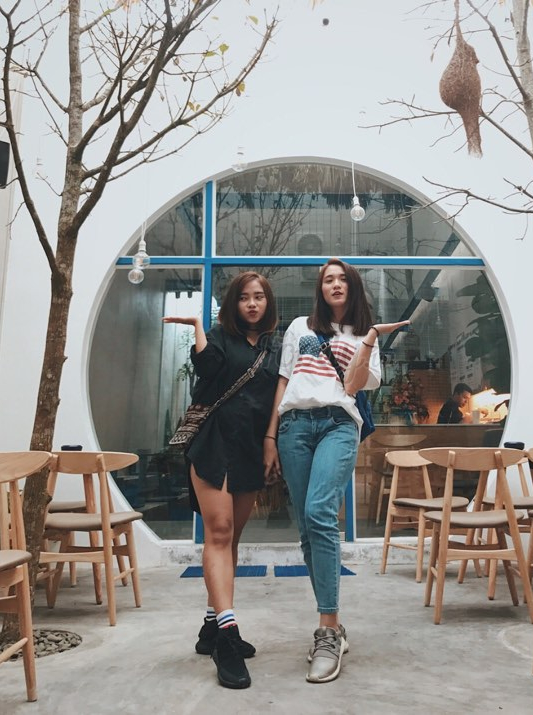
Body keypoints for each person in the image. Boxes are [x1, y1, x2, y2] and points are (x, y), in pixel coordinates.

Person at [263, 258, 408, 684]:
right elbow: (284, 381)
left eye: (343, 278)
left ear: (353, 286)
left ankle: (327, 630)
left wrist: (369, 340)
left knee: (320, 514)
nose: (335, 284)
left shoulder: (365, 335)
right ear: (320, 288)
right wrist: (270, 436)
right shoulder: (299, 327)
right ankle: (334, 628)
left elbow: (353, 386)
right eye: (328, 279)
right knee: (307, 529)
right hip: (293, 427)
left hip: (338, 424)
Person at [163, 271, 281, 690]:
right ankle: (227, 637)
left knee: (232, 539)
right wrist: (198, 327)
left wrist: (271, 443)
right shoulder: (218, 337)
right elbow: (207, 366)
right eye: (245, 297)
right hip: (213, 443)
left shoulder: (274, 348)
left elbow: (277, 401)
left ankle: (211, 626)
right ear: (234, 303)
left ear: (268, 303)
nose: (252, 304)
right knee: (219, 532)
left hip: (250, 448)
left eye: (259, 297)